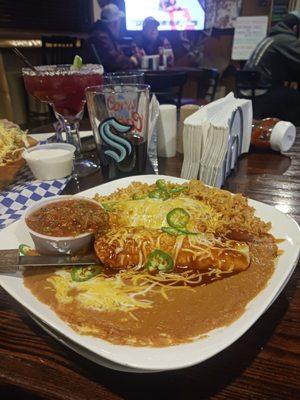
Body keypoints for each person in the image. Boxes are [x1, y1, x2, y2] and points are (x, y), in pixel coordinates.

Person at [244, 11, 300, 125]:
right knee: (296, 98)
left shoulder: (271, 38)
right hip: (262, 94)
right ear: (295, 27)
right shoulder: (286, 39)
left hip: (247, 91)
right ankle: (288, 133)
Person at [86, 4, 140, 72]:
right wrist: (132, 60)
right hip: (106, 81)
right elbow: (113, 61)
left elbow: (114, 53)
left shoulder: (102, 35)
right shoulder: (101, 37)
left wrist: (130, 49)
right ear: (115, 23)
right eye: (119, 22)